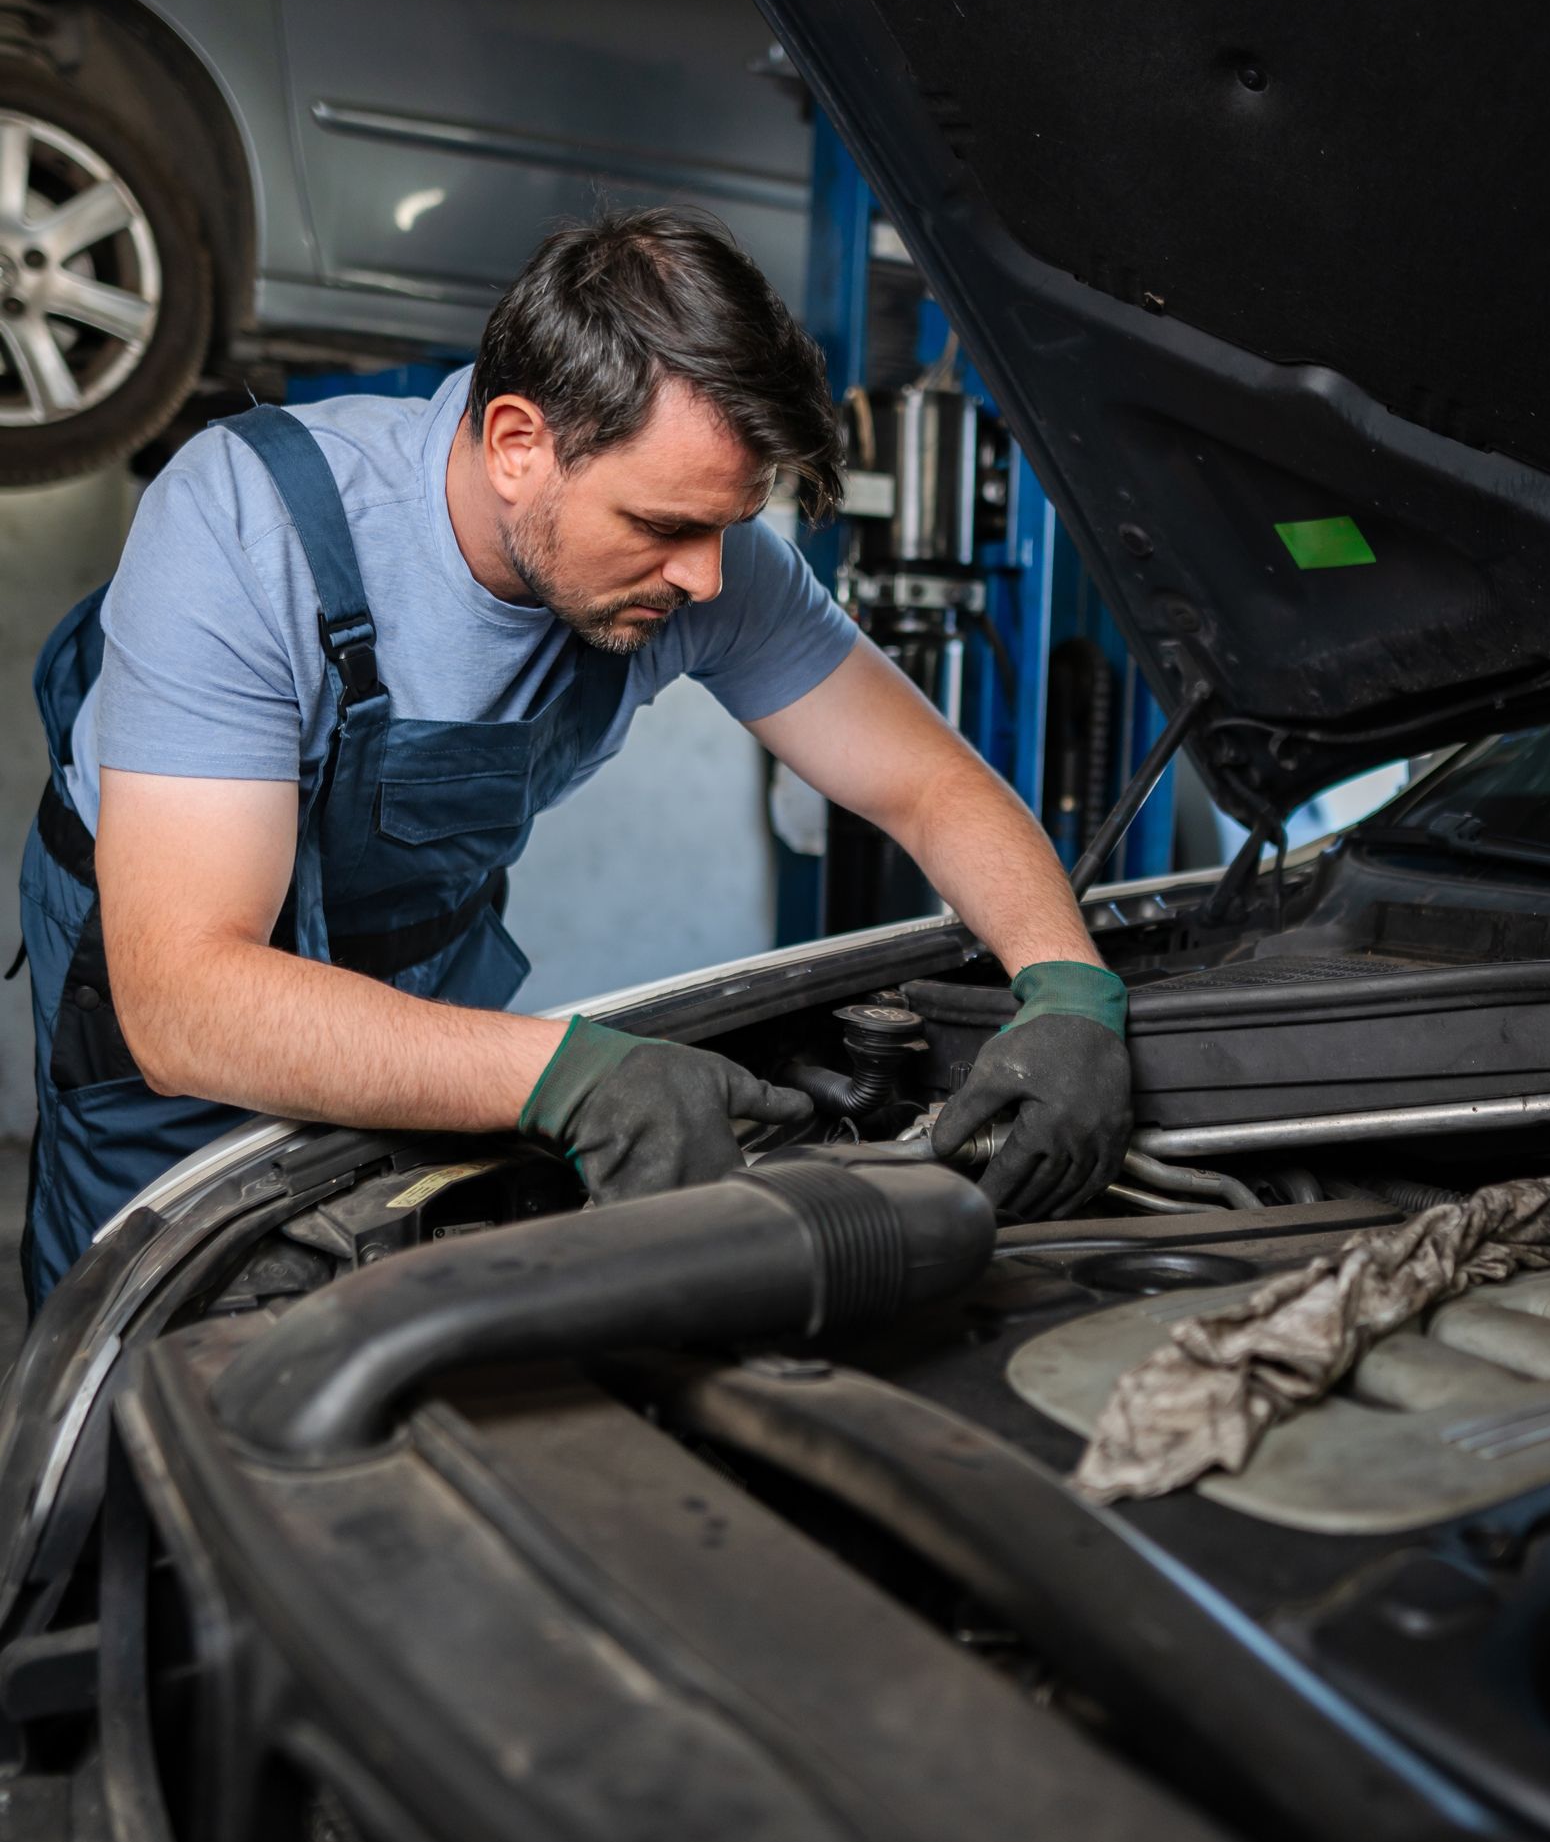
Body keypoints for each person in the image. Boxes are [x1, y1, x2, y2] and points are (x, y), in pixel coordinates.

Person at [16, 208, 1131, 1313]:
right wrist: (564, 1071)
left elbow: (929, 783)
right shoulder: (249, 525)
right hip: (164, 1046)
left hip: (418, 996)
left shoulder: (705, 565)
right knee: (140, 1362)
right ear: (518, 444)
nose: (702, 576)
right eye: (660, 525)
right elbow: (188, 1005)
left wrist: (1069, 984)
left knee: (406, 1338)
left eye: (726, 526)